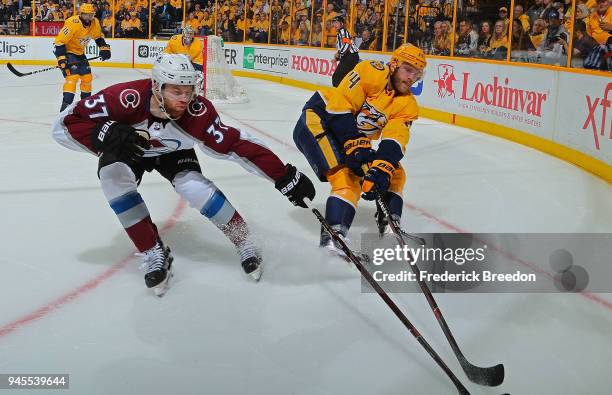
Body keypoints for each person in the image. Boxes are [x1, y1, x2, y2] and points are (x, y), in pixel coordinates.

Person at [50, 54, 315, 296]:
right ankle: (152, 250)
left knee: (193, 187)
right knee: (112, 177)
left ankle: (244, 240)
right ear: (157, 86)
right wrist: (102, 133)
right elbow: (64, 125)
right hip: (129, 146)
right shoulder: (123, 98)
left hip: (172, 153)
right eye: (176, 91)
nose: (184, 99)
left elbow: (236, 144)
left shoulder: (197, 113)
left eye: (188, 91)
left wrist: (282, 176)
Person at [293, 44, 426, 260]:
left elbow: (394, 140)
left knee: (394, 173)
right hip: (319, 120)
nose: (412, 77)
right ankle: (333, 237)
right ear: (394, 64)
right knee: (346, 177)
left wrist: (381, 169)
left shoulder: (408, 104)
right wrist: (356, 145)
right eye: (408, 69)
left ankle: (390, 226)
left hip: (349, 135)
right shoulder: (371, 71)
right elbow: (339, 107)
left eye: (417, 73)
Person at [53, 3, 111, 112]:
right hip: (67, 51)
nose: (89, 17)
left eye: (91, 15)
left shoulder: (95, 23)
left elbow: (98, 37)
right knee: (72, 77)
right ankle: (65, 107)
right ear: (81, 14)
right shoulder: (72, 23)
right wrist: (61, 58)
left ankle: (86, 106)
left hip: (79, 53)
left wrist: (104, 48)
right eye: (86, 15)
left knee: (87, 78)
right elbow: (59, 42)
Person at [331, 15, 360, 87]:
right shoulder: (340, 33)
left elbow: (347, 44)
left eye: (337, 22)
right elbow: (344, 46)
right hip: (350, 57)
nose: (335, 24)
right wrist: (337, 58)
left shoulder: (342, 31)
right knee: (345, 78)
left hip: (350, 57)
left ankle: (338, 95)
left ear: (342, 24)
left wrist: (339, 53)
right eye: (334, 22)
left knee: (336, 78)